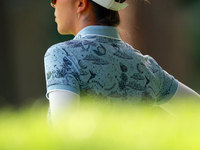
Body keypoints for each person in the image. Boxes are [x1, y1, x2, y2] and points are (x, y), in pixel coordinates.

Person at [44, 0, 200, 124]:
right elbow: (195, 109)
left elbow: (63, 131)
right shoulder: (146, 67)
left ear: (81, 4)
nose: (52, 4)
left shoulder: (62, 55)